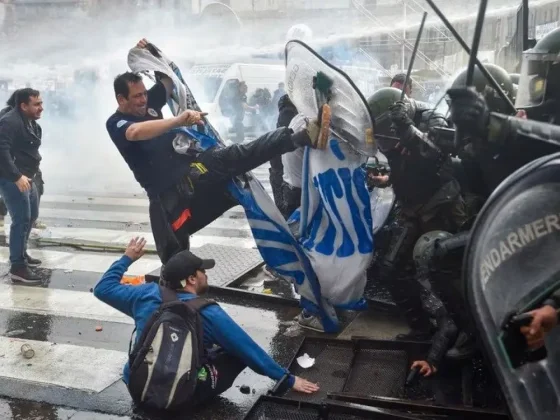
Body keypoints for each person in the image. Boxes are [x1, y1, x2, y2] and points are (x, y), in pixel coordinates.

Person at [107, 39, 326, 265]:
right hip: (166, 197)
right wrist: (178, 120)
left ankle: (299, 137)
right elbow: (135, 132)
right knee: (175, 261)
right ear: (121, 99)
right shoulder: (116, 123)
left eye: (144, 94)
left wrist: (152, 52)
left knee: (238, 155)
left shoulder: (149, 101)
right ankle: (187, 281)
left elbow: (168, 80)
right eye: (137, 97)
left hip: (193, 173)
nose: (143, 100)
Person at [93, 237, 319, 407]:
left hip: (136, 386)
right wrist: (288, 380)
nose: (206, 275)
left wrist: (128, 258)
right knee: (234, 351)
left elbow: (103, 288)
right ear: (192, 279)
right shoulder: (208, 313)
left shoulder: (143, 294)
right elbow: (250, 351)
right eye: (202, 271)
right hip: (182, 399)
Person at [367, 87, 468, 340]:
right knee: (391, 269)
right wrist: (388, 180)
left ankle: (461, 332)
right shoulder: (391, 132)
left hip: (442, 207)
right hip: (411, 208)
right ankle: (422, 329)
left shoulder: (432, 118)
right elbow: (406, 170)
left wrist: (407, 129)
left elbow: (436, 156)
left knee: (446, 272)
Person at [0, 88, 43, 283]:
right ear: (23, 106)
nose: (41, 108)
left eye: (41, 103)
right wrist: (16, 176)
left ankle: (22, 254)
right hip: (13, 178)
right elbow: (2, 150)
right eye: (36, 104)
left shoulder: (29, 121)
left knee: (31, 215)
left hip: (29, 176)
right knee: (21, 219)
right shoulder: (10, 121)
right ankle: (18, 266)